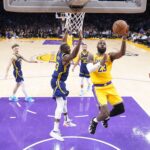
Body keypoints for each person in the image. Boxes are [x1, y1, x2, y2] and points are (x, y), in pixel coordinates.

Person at [87, 35, 127, 134]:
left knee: (120, 109)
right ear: (97, 46)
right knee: (104, 113)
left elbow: (122, 53)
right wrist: (100, 62)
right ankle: (94, 121)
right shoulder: (91, 56)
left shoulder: (110, 56)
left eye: (104, 43)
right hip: (98, 88)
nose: (102, 44)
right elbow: (90, 69)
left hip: (110, 86)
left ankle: (106, 118)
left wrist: (124, 39)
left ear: (106, 47)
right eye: (100, 43)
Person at [50, 31, 83, 141]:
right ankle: (54, 131)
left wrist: (66, 32)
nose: (70, 48)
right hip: (58, 82)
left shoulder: (60, 52)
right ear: (65, 51)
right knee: (60, 105)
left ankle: (66, 120)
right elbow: (74, 55)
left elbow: (63, 42)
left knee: (65, 102)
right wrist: (80, 41)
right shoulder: (65, 58)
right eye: (68, 48)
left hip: (60, 82)